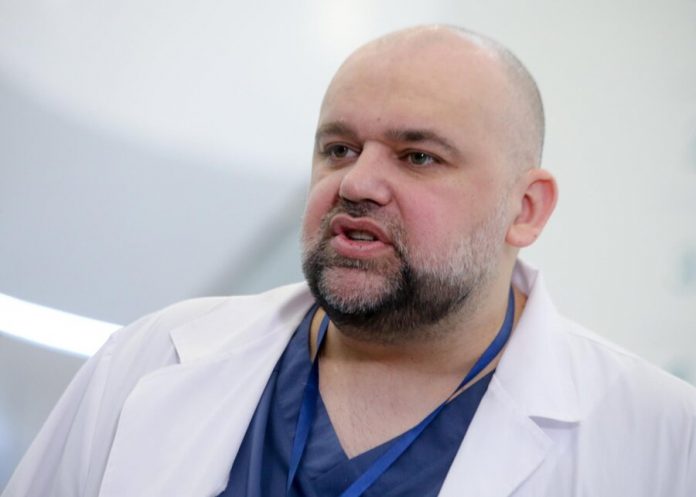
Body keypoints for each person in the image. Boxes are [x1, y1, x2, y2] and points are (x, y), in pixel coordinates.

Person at [3, 25, 695, 497]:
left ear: (526, 209)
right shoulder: (148, 362)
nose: (357, 183)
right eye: (338, 149)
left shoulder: (662, 441)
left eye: (417, 156)